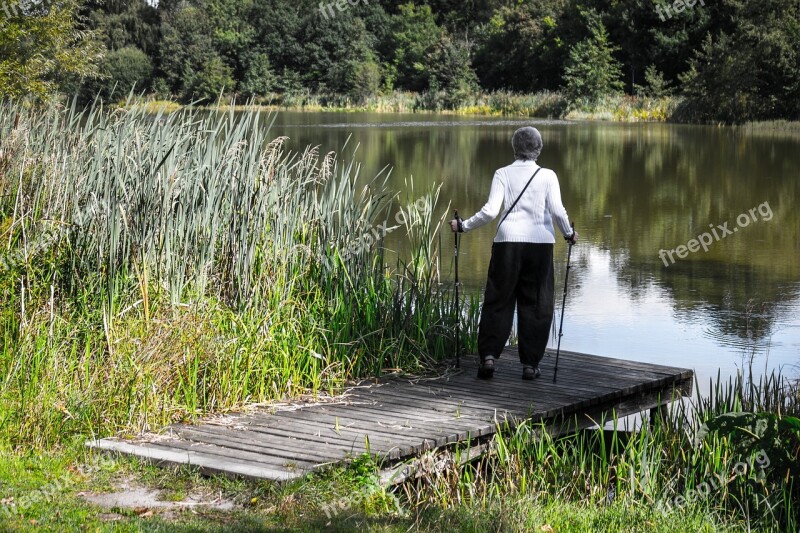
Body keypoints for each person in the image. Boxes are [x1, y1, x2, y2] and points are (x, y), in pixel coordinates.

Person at [450, 127, 577, 380]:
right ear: (538, 148)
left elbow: (489, 211)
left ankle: (488, 357)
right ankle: (530, 365)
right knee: (537, 303)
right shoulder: (548, 176)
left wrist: (463, 226)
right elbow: (558, 211)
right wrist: (568, 234)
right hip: (540, 245)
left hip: (506, 243)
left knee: (498, 299)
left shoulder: (502, 174)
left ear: (514, 147)